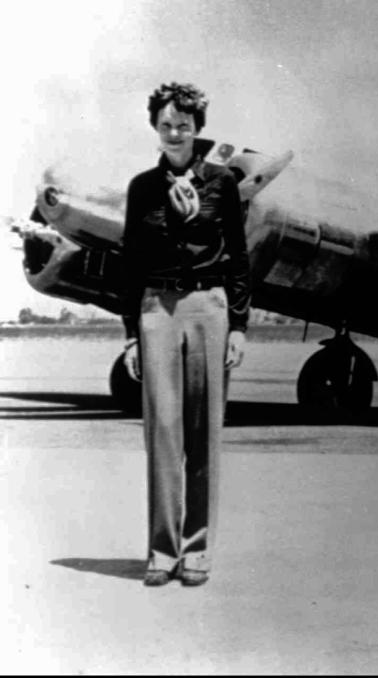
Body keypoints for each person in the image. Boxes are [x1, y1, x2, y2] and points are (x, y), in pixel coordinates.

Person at [120, 82, 251, 587]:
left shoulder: (222, 184)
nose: (174, 133)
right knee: (162, 433)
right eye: (166, 125)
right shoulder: (142, 189)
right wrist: (132, 332)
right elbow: (130, 265)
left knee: (203, 434)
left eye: (184, 125)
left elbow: (238, 259)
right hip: (157, 307)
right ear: (155, 127)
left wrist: (238, 325)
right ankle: (162, 550)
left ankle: (196, 550)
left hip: (209, 308)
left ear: (198, 129)